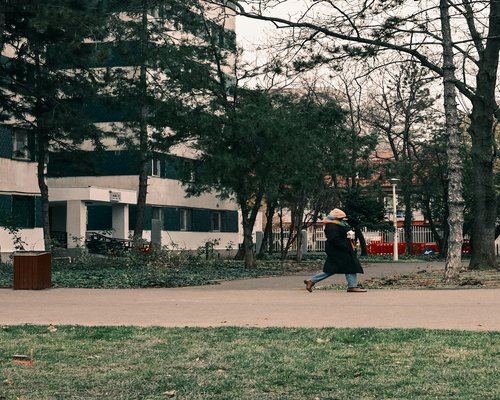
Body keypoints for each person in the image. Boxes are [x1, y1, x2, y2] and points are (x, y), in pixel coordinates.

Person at [304, 208, 366, 293]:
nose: (342, 219)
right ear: (335, 218)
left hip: (342, 249)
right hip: (338, 250)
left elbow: (356, 223)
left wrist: (347, 216)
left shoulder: (342, 223)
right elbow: (333, 239)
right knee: (349, 266)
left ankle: (311, 281)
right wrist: (345, 246)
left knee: (334, 268)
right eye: (340, 217)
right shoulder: (332, 225)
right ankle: (352, 286)